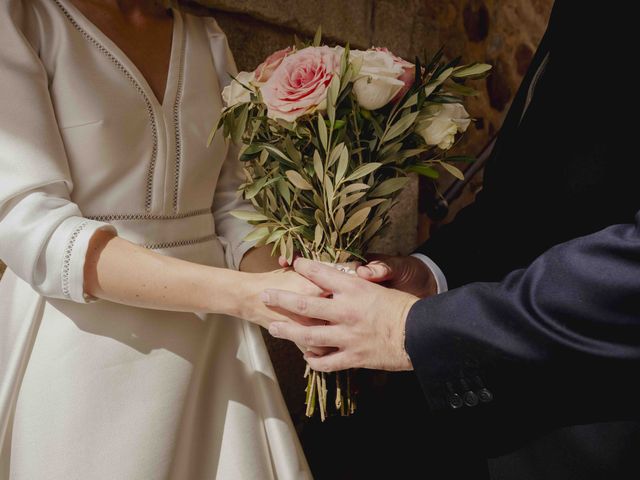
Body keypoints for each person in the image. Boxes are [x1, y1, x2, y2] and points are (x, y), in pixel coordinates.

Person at [263, 1, 640, 479]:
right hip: (491, 416)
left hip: (602, 428)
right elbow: (531, 205)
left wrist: (414, 330)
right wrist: (433, 273)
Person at [0, 1, 317, 478]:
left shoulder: (205, 38)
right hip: (81, 351)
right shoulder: (21, 19)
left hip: (215, 349)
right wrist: (248, 297)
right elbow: (30, 226)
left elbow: (231, 205)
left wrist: (302, 289)